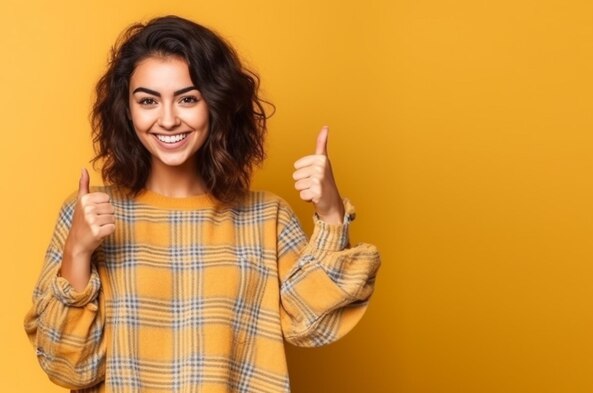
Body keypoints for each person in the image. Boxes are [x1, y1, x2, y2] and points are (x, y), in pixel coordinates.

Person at [24, 15, 381, 393]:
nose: (167, 119)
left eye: (187, 99)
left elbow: (313, 323)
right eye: (148, 100)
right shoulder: (88, 213)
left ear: (216, 102)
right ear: (126, 110)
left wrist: (330, 215)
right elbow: (69, 369)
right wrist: (78, 252)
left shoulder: (266, 216)